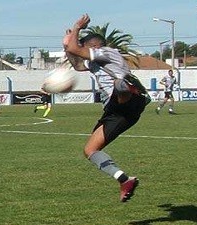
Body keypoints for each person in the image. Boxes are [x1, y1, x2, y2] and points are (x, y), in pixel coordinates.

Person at [63, 14, 150, 202]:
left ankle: (124, 89)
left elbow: (74, 48)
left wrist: (77, 27)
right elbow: (77, 64)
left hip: (128, 101)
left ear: (94, 47)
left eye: (83, 47)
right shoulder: (95, 63)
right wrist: (67, 47)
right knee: (90, 150)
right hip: (119, 112)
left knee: (119, 87)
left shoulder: (107, 52)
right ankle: (124, 180)